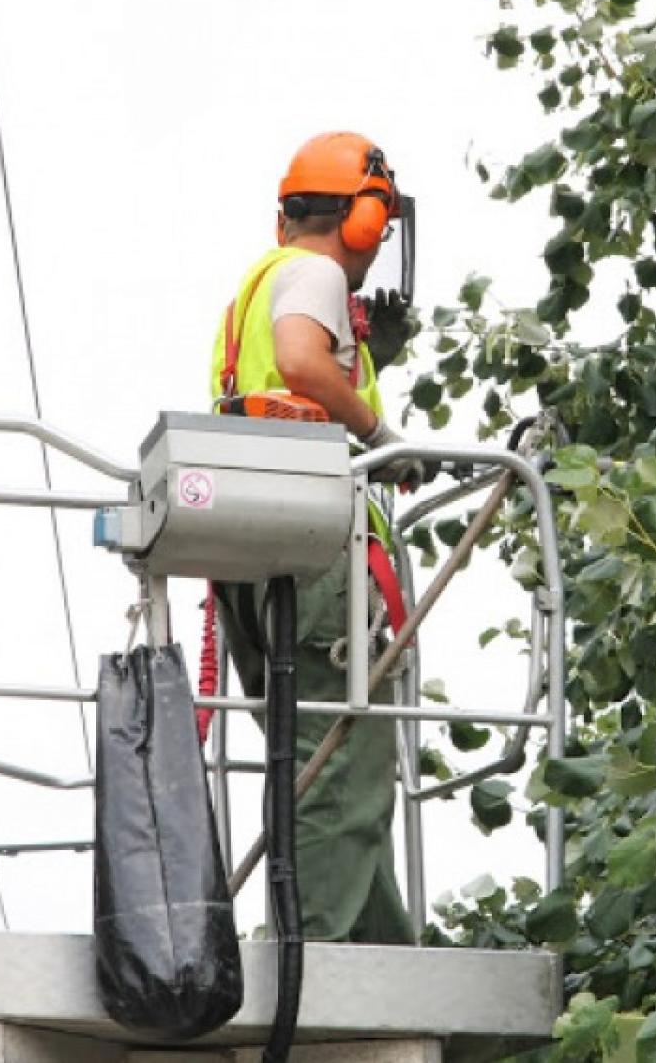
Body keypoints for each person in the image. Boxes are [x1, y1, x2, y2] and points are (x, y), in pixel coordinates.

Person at [208, 131, 422, 945]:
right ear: (362, 218)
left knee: (325, 761)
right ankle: (312, 961)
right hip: (316, 559)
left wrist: (367, 356)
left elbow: (293, 368)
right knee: (345, 761)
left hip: (256, 563)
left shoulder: (255, 291)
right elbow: (302, 361)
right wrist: (381, 431)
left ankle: (380, 955)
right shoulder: (320, 274)